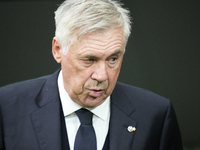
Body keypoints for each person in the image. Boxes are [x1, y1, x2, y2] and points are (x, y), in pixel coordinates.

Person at [0, 0, 183, 150]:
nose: (102, 76)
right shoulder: (7, 108)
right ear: (58, 50)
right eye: (89, 59)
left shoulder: (155, 115)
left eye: (113, 58)